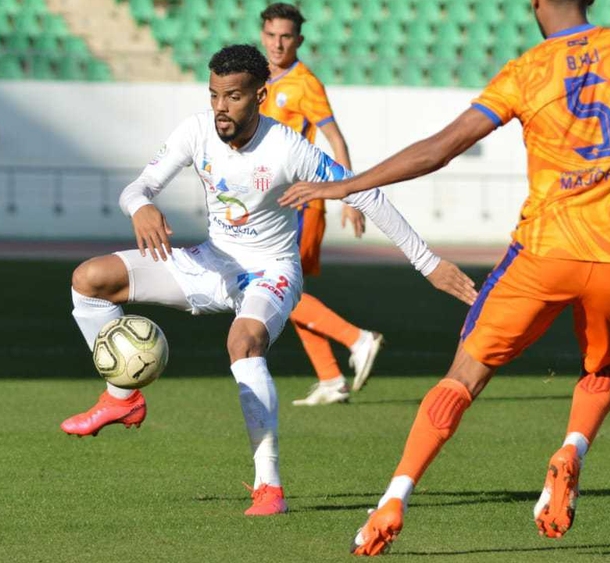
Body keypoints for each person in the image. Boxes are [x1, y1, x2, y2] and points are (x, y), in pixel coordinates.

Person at [279, 0, 610, 553]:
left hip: (543, 254)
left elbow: (440, 149)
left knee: (463, 377)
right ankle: (572, 448)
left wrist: (347, 186)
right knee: (600, 368)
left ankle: (395, 497)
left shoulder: (527, 71)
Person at [59, 44, 477, 517]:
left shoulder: (287, 147)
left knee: (243, 342)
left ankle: (269, 488)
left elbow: (367, 195)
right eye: (214, 94)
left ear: (260, 95)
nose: (221, 107)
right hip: (212, 261)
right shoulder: (196, 131)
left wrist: (427, 263)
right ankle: (122, 397)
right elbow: (139, 187)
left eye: (233, 96)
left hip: (271, 271)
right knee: (88, 280)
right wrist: (141, 206)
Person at [259, 2, 383, 406]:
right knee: (289, 292)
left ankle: (358, 339)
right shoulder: (258, 78)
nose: (278, 44)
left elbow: (336, 140)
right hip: (273, 205)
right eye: (272, 35)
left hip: (300, 203)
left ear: (299, 40)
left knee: (276, 289)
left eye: (286, 37)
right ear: (263, 35)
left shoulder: (305, 83)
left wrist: (349, 195)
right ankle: (330, 378)